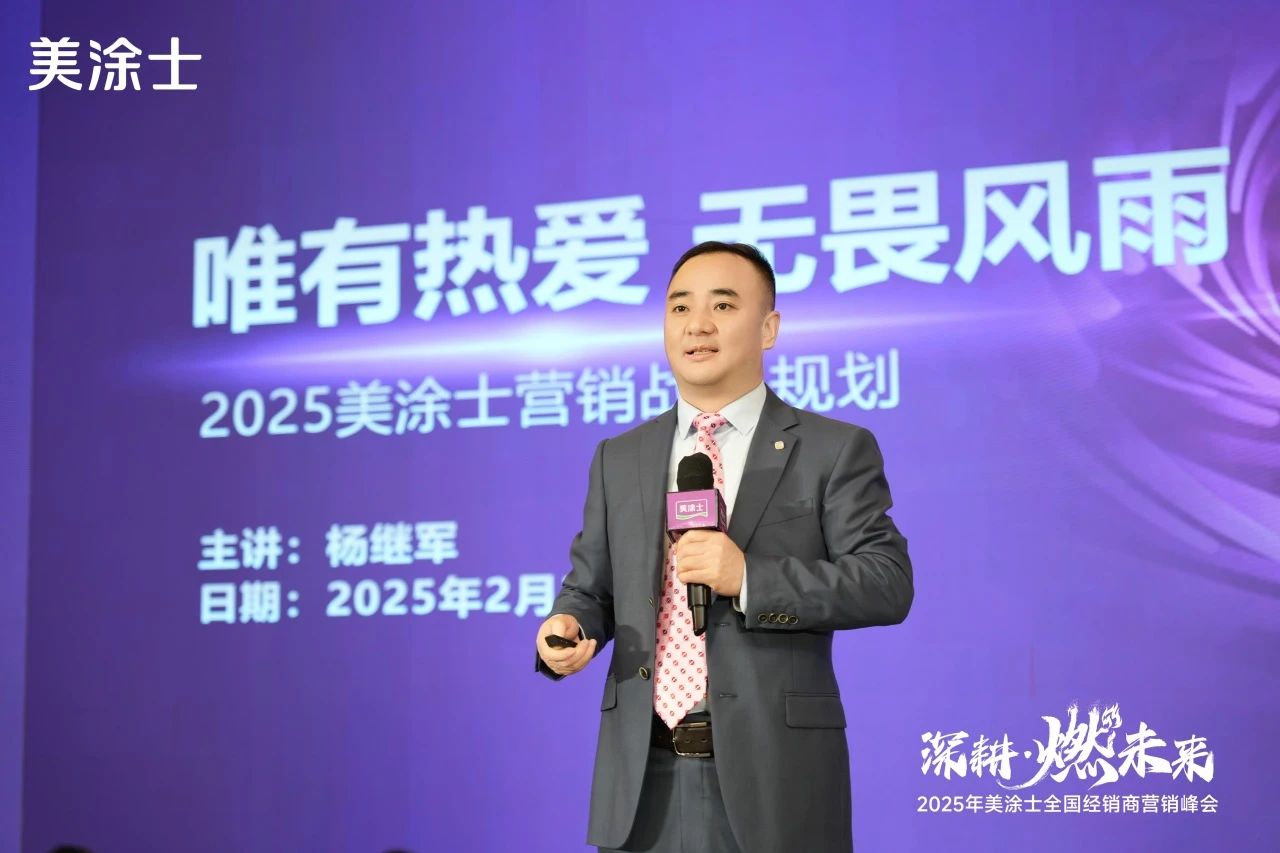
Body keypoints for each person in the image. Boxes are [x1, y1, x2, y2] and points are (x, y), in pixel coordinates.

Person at [535, 241, 913, 853]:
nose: (698, 325)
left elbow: (885, 582)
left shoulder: (831, 449)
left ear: (768, 329)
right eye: (680, 307)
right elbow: (591, 588)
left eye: (723, 305)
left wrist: (749, 578)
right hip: (642, 781)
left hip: (774, 779)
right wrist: (569, 626)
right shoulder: (619, 457)